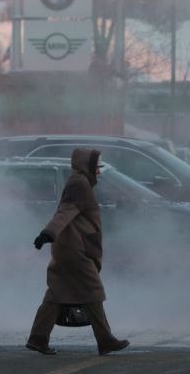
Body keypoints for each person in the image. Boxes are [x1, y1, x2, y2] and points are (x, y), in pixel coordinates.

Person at [27, 148, 130, 356]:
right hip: (76, 249)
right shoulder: (79, 184)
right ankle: (105, 340)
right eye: (97, 166)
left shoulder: (80, 182)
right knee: (93, 292)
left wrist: (50, 235)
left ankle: (38, 338)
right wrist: (47, 233)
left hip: (71, 247)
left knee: (57, 293)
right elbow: (65, 212)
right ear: (87, 166)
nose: (99, 170)